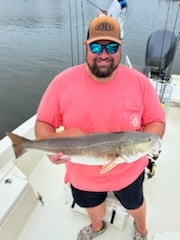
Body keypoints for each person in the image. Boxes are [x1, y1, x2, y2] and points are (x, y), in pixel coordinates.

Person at [35, 15, 165, 240]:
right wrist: (50, 151)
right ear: (86, 46)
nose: (103, 54)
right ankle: (97, 227)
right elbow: (44, 124)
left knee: (136, 205)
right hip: (81, 174)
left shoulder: (140, 83)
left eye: (111, 46)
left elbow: (156, 121)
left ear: (120, 48)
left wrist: (146, 145)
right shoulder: (61, 83)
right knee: (92, 206)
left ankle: (141, 229)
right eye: (96, 46)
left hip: (130, 172)